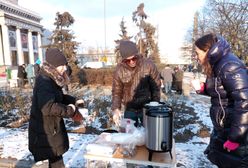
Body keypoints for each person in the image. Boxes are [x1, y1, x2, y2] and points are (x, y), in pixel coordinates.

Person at [191, 33, 248, 168]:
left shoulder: (229, 65)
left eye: (197, 53)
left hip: (236, 132)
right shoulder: (216, 65)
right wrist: (203, 88)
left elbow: (244, 102)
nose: (196, 57)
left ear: (207, 51)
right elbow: (221, 91)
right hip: (225, 128)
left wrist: (235, 138)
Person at [28, 48, 84, 168]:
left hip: (50, 129)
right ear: (53, 66)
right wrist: (70, 110)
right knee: (56, 162)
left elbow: (57, 98)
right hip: (45, 131)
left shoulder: (51, 78)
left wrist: (73, 100)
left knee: (56, 161)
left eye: (65, 64)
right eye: (61, 65)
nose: (65, 68)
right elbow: (48, 107)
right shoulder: (44, 81)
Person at [111, 40, 161, 127]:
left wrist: (154, 106)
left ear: (137, 55)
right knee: (129, 136)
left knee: (148, 134)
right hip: (130, 109)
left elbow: (156, 87)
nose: (131, 62)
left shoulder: (149, 65)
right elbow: (117, 92)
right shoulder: (119, 70)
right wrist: (116, 109)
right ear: (123, 60)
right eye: (127, 60)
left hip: (147, 108)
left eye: (133, 58)